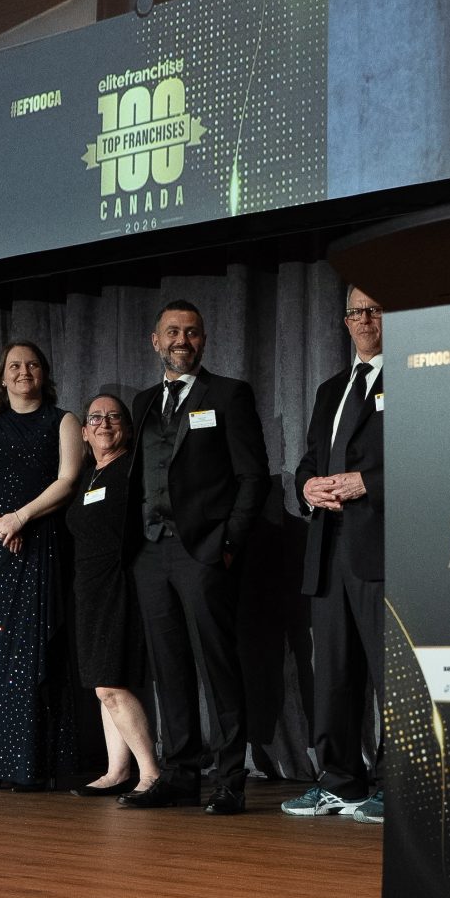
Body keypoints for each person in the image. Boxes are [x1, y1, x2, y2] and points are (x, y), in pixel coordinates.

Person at [124, 301, 269, 815]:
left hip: (204, 552)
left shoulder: (228, 394)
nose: (181, 340)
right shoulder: (142, 402)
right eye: (172, 332)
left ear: (203, 340)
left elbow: (253, 476)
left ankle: (230, 779)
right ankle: (181, 774)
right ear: (155, 340)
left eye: (191, 332)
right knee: (169, 668)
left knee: (218, 667)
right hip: (150, 552)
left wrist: (228, 544)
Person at [0, 341, 83, 789]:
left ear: (43, 374)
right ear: (2, 377)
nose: (23, 371)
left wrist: (20, 518)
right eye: (14, 365)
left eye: (31, 364)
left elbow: (68, 480)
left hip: (40, 541)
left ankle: (34, 763)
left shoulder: (63, 421)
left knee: (38, 651)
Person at [285, 288, 386, 821]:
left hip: (384, 546)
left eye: (375, 309)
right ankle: (340, 782)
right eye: (355, 311)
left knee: (393, 675)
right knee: (334, 675)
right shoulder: (331, 389)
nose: (364, 319)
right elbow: (309, 461)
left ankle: (398, 785)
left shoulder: (420, 376)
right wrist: (306, 488)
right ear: (345, 322)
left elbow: (434, 456)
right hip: (327, 548)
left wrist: (367, 482)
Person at [64, 387, 159, 799]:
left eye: (114, 417)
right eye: (96, 418)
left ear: (128, 429)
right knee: (103, 685)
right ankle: (117, 770)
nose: (104, 423)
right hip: (89, 589)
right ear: (84, 432)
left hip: (120, 585)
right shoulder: (88, 476)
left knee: (110, 685)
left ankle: (150, 772)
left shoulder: (133, 470)